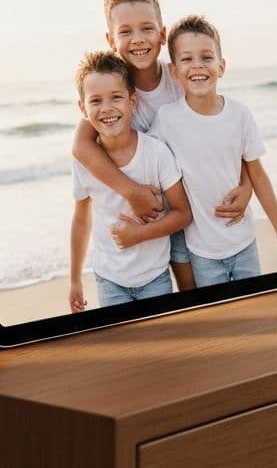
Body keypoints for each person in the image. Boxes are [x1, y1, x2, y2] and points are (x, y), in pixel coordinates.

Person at [71, 0, 253, 291]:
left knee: (200, 293)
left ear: (163, 34)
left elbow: (224, 129)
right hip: (154, 214)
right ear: (110, 40)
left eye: (146, 29)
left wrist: (247, 184)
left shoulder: (180, 79)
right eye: (125, 31)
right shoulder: (114, 89)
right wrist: (131, 192)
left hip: (194, 210)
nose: (138, 39)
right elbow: (81, 145)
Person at [151, 15, 277, 288]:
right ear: (173, 71)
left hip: (243, 242)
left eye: (206, 57)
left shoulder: (240, 115)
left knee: (253, 309)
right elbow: (146, 159)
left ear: (222, 66)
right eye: (186, 59)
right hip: (202, 250)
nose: (197, 65)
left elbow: (258, 174)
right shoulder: (167, 119)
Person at [68, 50, 192, 312]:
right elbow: (81, 219)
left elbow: (183, 213)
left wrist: (139, 235)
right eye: (96, 101)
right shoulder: (84, 161)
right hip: (109, 279)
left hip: (154, 277)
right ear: (82, 108)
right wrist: (75, 278)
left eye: (116, 97)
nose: (107, 108)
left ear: (132, 101)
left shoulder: (156, 153)